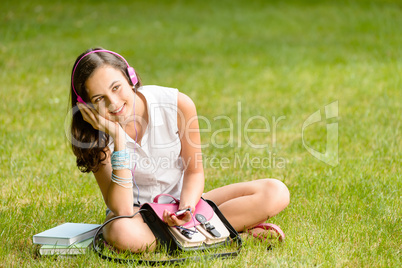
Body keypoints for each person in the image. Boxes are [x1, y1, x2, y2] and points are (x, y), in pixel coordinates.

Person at [69, 48, 290, 253]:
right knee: (120, 232)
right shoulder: (94, 136)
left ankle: (188, 233)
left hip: (185, 203)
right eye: (99, 99)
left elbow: (194, 171)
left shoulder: (176, 104)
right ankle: (219, 234)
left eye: (116, 87)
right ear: (86, 105)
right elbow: (122, 209)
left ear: (130, 78)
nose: (113, 102)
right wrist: (118, 139)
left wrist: (186, 209)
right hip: (138, 216)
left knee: (276, 191)